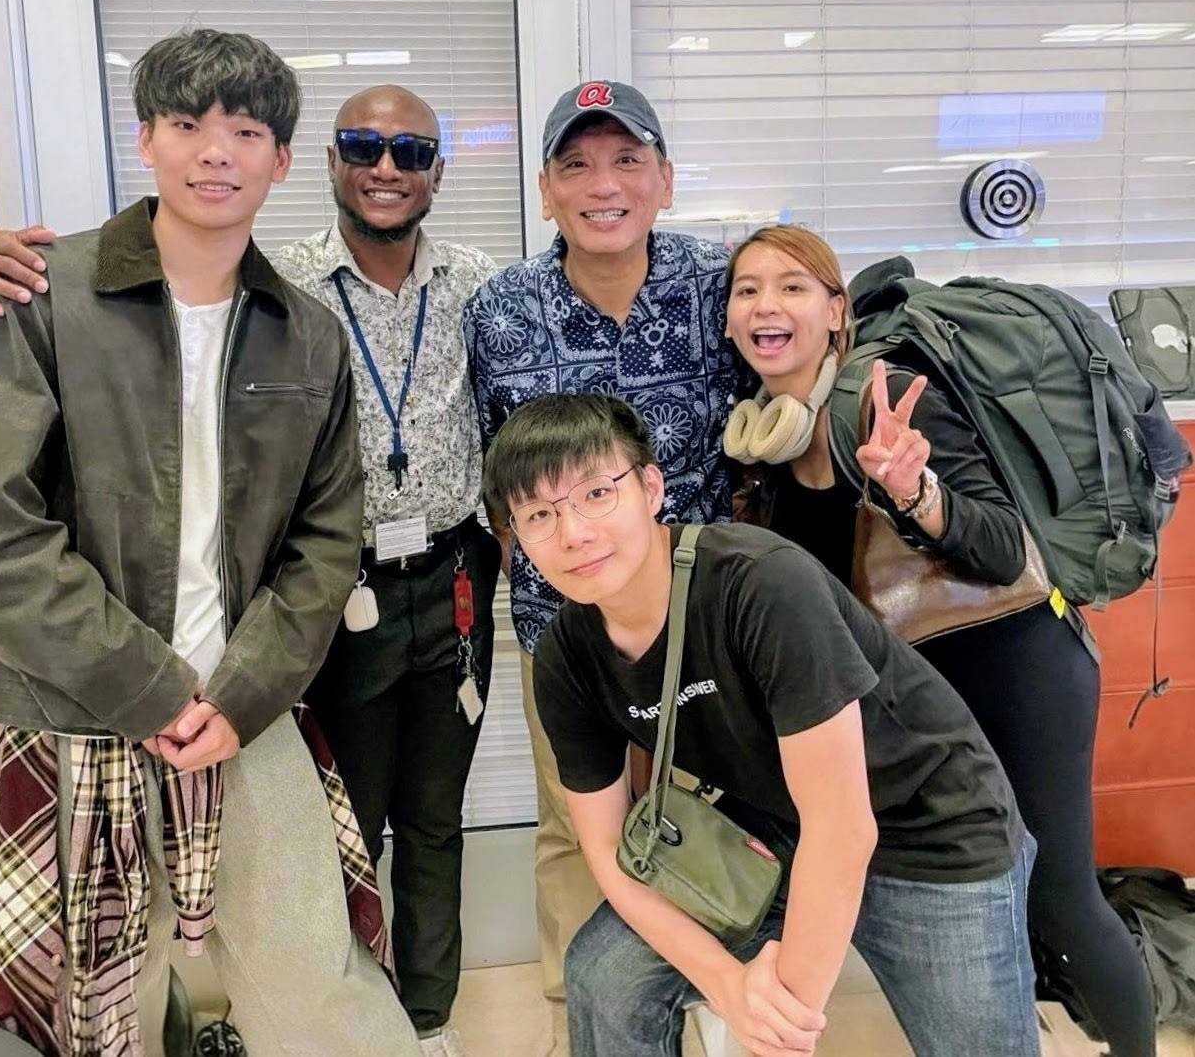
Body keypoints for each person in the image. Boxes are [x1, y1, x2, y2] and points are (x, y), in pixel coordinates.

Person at [0, 82, 502, 1057]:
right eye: (188, 126)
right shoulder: (83, 293)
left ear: (275, 158)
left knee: (364, 895)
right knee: (98, 992)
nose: (216, 153)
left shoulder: (430, 293)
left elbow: (319, 531)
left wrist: (239, 688)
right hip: (92, 696)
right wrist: (153, 689)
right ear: (146, 139)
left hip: (347, 625)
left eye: (245, 132)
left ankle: (426, 1023)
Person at [480, 392, 1041, 1057]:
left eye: (597, 493)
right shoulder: (565, 658)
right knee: (605, 974)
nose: (573, 533)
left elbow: (843, 828)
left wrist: (778, 1019)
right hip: (777, 829)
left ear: (651, 488)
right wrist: (727, 984)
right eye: (539, 515)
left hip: (932, 828)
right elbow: (606, 853)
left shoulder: (759, 583)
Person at [722, 223, 1158, 1057]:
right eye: (747, 290)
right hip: (925, 694)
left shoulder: (875, 395)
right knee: (991, 891)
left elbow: (999, 549)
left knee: (1058, 896)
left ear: (835, 311)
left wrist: (914, 491)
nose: (765, 305)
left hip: (1014, 664)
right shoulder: (767, 434)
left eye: (791, 286)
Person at [463, 80, 742, 1042]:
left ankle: (709, 1007)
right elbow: (489, 476)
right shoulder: (498, 311)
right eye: (576, 164)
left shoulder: (719, 285)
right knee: (576, 826)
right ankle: (579, 1021)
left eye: (627, 159)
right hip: (566, 632)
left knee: (714, 813)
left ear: (664, 178)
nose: (603, 184)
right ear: (545, 190)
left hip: (705, 620)